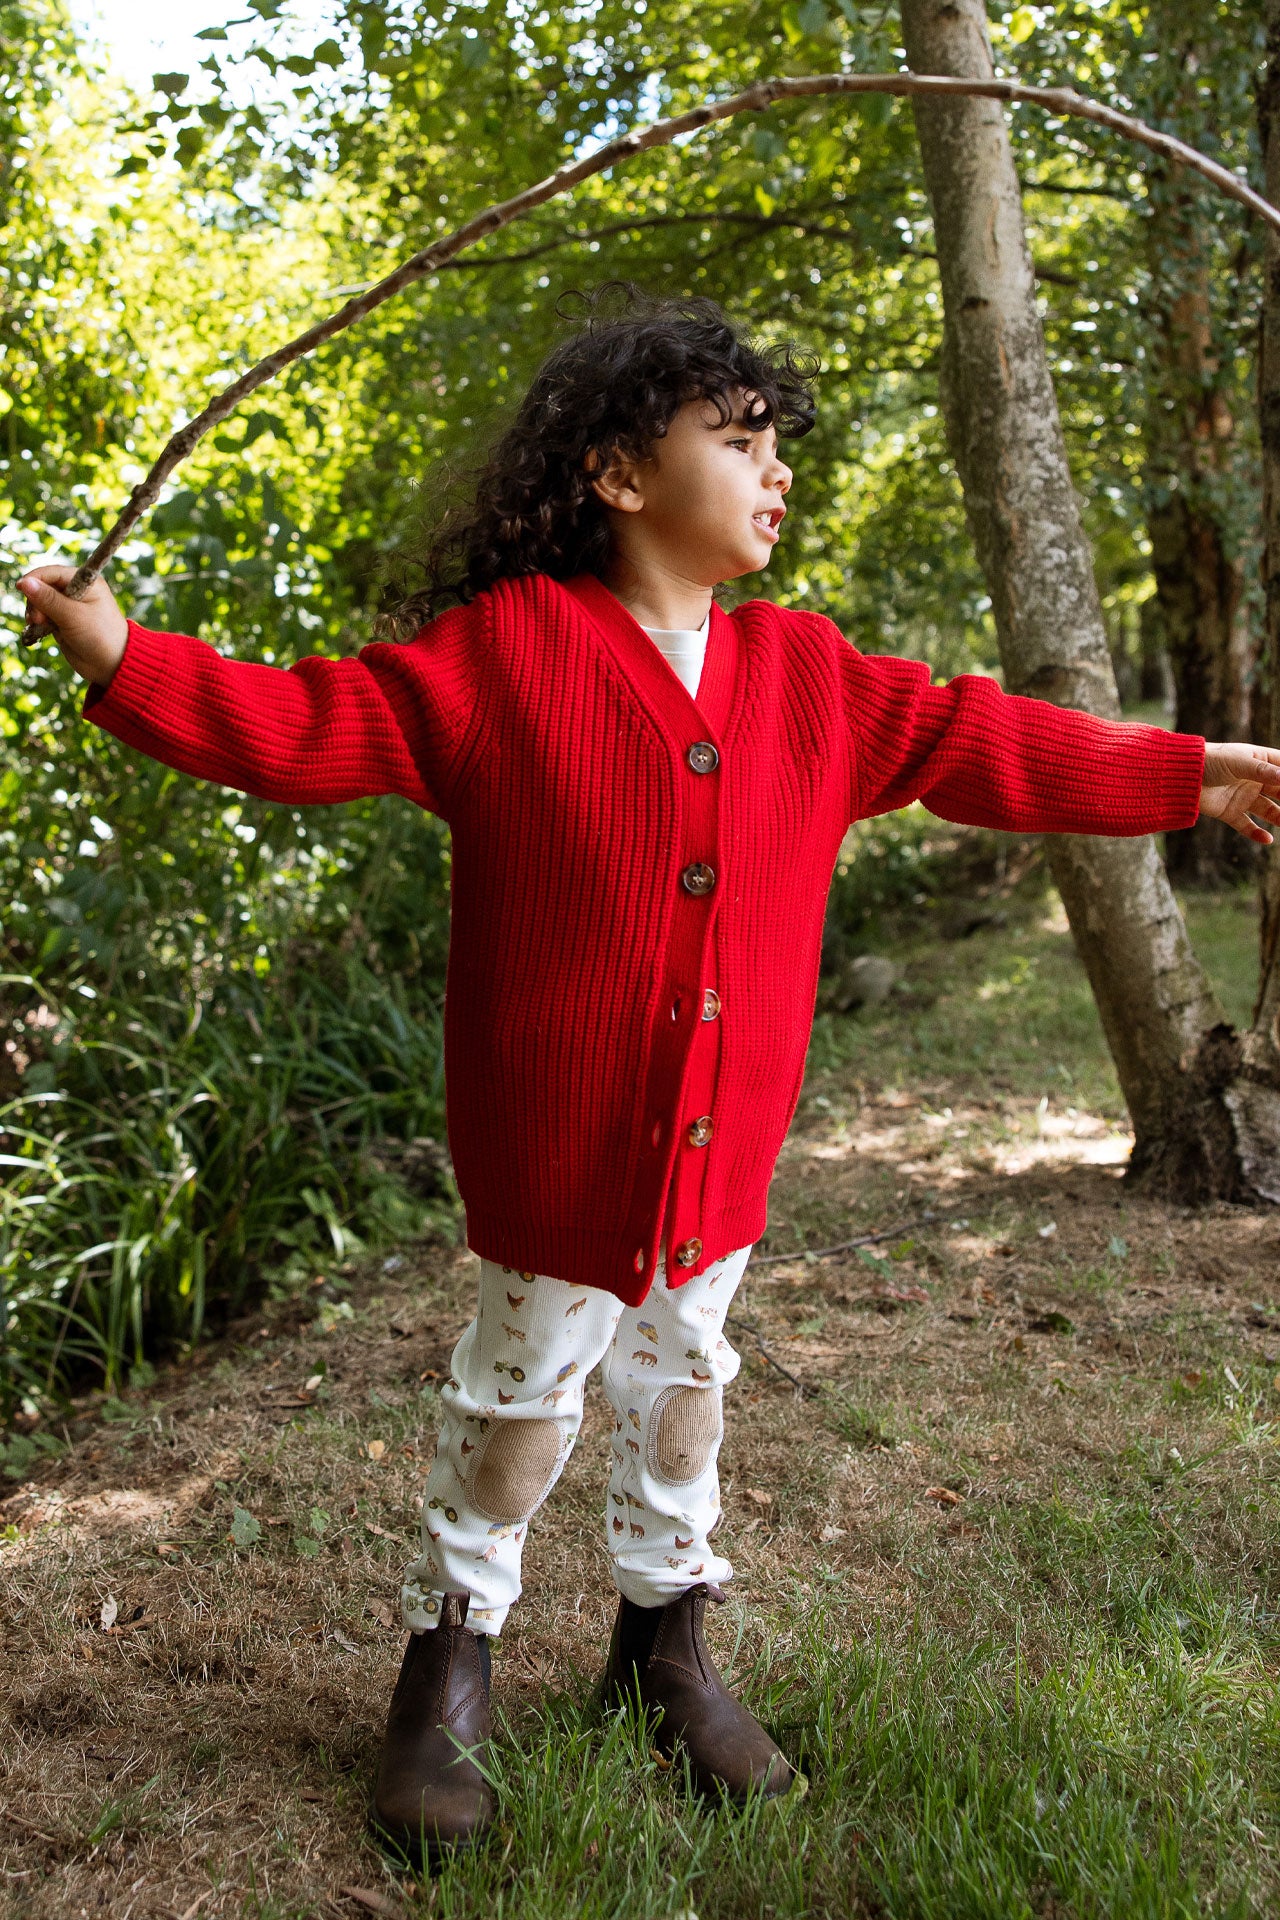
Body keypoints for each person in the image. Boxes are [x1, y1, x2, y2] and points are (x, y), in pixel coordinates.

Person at [16, 288, 1280, 1864]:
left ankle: (665, 1644)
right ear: (617, 472)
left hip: (721, 1146)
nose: (776, 471)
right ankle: (447, 1664)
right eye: (737, 439)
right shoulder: (506, 659)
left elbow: (989, 743)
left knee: (684, 1385)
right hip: (559, 1148)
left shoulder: (812, 676)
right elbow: (305, 723)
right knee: (520, 1397)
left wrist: (1185, 770)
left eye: (776, 446)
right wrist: (123, 652)